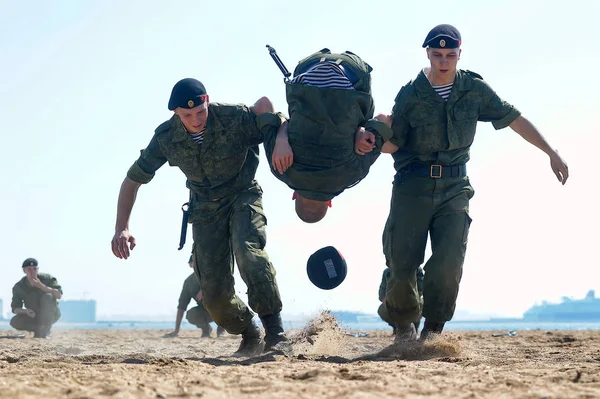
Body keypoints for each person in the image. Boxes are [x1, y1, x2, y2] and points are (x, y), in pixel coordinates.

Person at [376, 24, 569, 342]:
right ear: (428, 54)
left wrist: (551, 151)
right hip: (413, 186)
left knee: (449, 263)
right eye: (437, 55)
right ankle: (402, 324)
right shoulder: (410, 94)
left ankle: (433, 331)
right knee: (402, 263)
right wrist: (376, 135)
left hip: (455, 189)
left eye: (450, 55)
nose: (443, 62)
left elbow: (514, 119)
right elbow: (394, 145)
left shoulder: (474, 89)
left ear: (459, 55)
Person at [111, 78, 289, 356]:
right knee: (214, 293)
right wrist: (122, 227)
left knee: (248, 253)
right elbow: (132, 181)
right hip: (205, 210)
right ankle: (250, 333)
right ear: (176, 114)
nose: (196, 119)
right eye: (187, 115)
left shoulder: (234, 117)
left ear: (207, 100)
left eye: (201, 111)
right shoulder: (166, 138)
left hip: (243, 195)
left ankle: (276, 334)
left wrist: (281, 137)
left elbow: (269, 114)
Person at [262, 48, 397, 223]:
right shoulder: (280, 168)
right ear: (294, 196)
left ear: (329, 202)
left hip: (352, 73)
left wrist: (362, 130)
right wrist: (281, 136)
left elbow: (385, 119)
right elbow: (265, 105)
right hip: (308, 68)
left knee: (366, 118)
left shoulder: (352, 174)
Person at [163, 254, 225, 338]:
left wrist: (204, 289)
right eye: (196, 262)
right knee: (191, 314)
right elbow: (181, 306)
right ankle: (206, 329)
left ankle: (221, 330)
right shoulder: (189, 282)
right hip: (206, 312)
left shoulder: (213, 275)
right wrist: (176, 331)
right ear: (190, 265)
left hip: (222, 310)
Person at [10, 258, 62, 338]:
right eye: (29, 269)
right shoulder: (19, 286)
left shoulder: (47, 278)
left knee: (48, 296)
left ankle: (46, 330)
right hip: (33, 315)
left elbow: (59, 295)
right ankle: (37, 329)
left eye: (34, 269)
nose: (32, 271)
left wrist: (42, 286)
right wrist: (25, 311)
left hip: (51, 314)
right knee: (15, 321)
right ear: (24, 270)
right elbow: (15, 308)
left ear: (38, 269)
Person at [378, 267, 423, 334]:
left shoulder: (416, 269)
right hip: (394, 302)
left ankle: (414, 327)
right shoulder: (388, 271)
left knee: (420, 307)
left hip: (412, 301)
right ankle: (397, 328)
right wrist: (385, 300)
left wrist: (414, 297)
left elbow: (421, 288)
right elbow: (382, 290)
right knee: (382, 310)